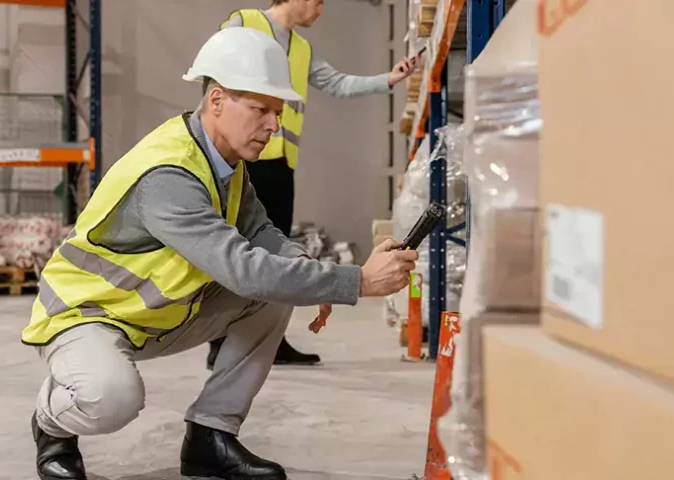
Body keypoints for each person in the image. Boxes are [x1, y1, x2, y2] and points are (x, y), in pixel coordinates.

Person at [23, 27, 417, 480]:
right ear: (216, 101)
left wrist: (306, 268)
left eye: (279, 112)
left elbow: (258, 230)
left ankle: (210, 436)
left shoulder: (225, 162)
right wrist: (358, 281)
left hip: (156, 314)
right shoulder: (169, 175)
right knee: (112, 399)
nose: (274, 125)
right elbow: (244, 270)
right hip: (89, 315)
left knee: (278, 289)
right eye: (262, 110)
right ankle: (50, 423)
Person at [209, 0, 420, 369]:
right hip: (239, 158)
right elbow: (216, 82)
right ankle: (221, 341)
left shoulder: (302, 48)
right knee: (232, 249)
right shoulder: (244, 24)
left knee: (276, 252)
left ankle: (271, 339)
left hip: (278, 165)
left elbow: (337, 84)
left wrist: (389, 79)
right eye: (320, 2)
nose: (321, 11)